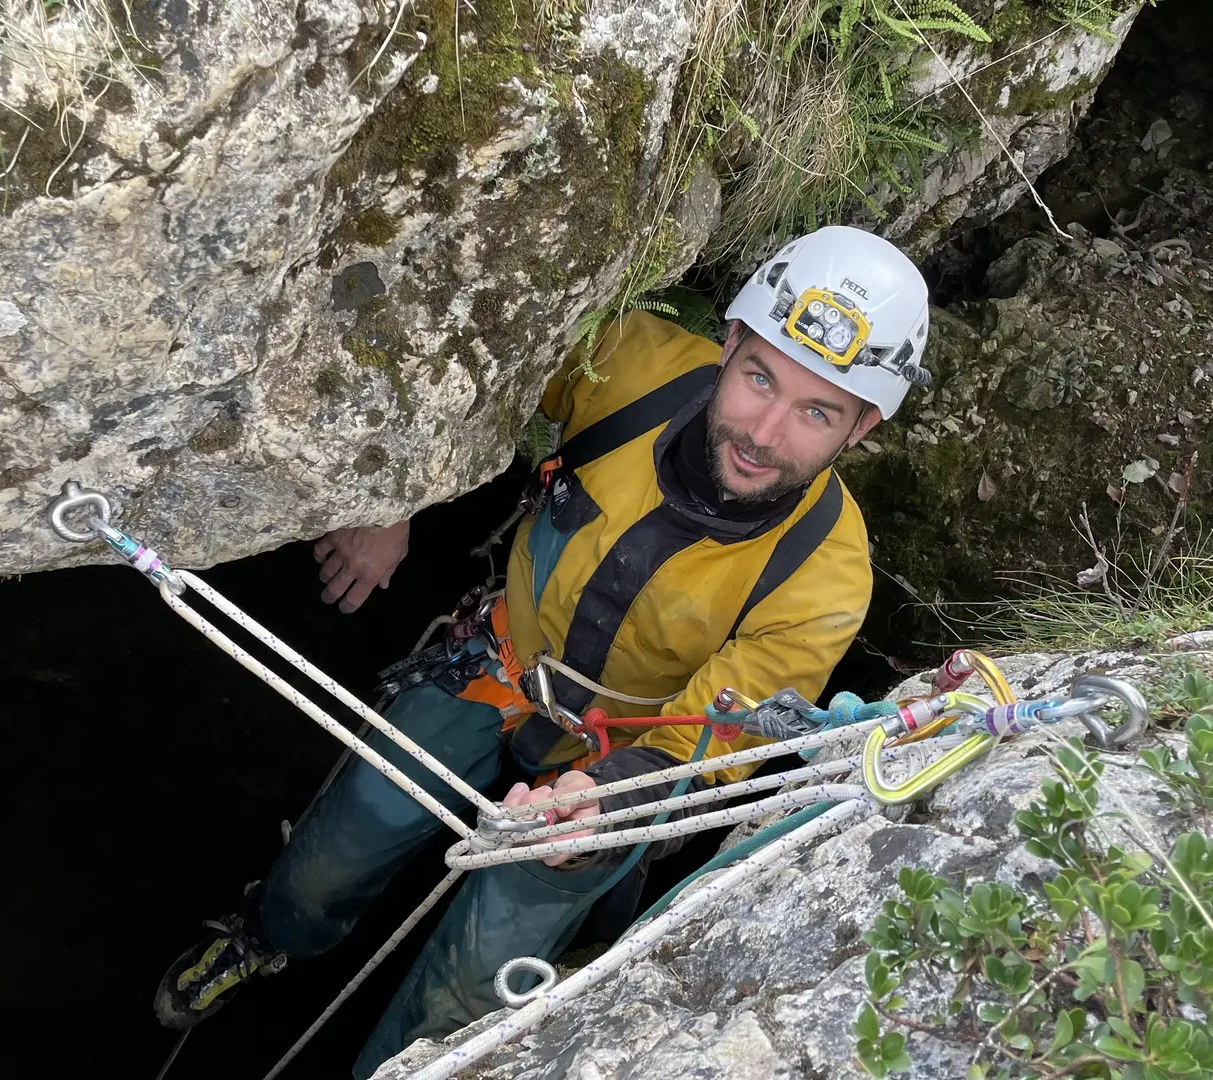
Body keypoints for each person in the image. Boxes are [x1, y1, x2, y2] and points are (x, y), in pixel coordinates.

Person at [153, 225, 933, 1077]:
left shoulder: (824, 578)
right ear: (731, 343)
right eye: (758, 379)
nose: (765, 432)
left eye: (816, 411)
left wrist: (602, 800)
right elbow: (476, 370)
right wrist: (400, 496)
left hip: (612, 775)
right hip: (492, 670)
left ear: (861, 429)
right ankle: (270, 936)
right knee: (338, 844)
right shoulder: (630, 365)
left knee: (478, 983)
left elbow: (713, 742)